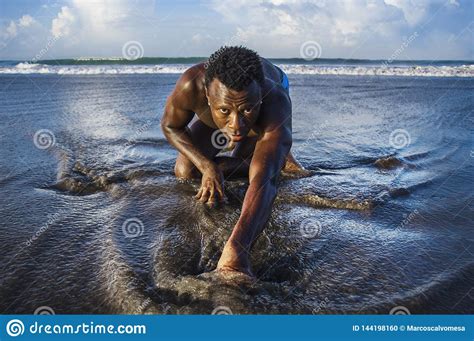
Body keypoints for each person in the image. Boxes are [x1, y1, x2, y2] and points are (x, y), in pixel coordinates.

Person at [161, 46, 305, 277]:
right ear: (207, 96)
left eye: (247, 109)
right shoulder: (191, 86)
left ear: (260, 98)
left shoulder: (274, 100)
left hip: (269, 101)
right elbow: (171, 126)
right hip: (229, 108)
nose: (236, 125)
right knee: (184, 171)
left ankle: (277, 153)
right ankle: (271, 155)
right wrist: (207, 166)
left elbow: (264, 182)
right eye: (224, 110)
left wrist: (238, 249)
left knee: (264, 172)